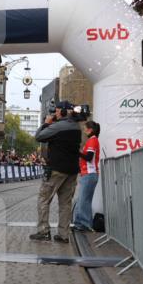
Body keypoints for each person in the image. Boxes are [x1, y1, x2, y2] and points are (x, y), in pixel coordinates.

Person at [30, 101, 82, 243]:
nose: (55, 113)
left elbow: (39, 137)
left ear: (63, 112)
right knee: (65, 203)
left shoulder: (58, 126)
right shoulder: (76, 127)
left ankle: (43, 231)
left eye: (57, 111)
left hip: (56, 169)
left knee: (43, 199)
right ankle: (63, 234)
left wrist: (46, 123)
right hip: (72, 170)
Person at [72, 120, 101, 232]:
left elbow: (89, 157)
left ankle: (84, 224)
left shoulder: (92, 141)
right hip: (88, 174)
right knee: (83, 200)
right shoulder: (92, 140)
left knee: (84, 200)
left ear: (90, 130)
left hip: (89, 174)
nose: (84, 131)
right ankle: (80, 223)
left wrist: (77, 152)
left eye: (85, 129)